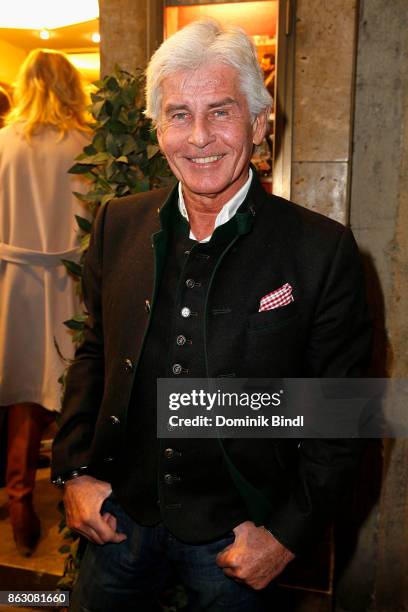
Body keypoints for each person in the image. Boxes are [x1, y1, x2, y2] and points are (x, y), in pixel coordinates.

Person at [51, 20, 372, 611]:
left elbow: (341, 410)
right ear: (157, 128)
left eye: (220, 112)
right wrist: (73, 470)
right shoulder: (116, 224)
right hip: (119, 518)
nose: (199, 138)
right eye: (178, 114)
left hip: (238, 535)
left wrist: (285, 536)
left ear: (258, 122)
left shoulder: (320, 250)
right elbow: (95, 351)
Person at [0, 49, 90, 556]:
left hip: (13, 285)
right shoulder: (88, 143)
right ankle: (77, 510)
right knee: (75, 391)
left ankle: (18, 506)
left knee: (23, 398)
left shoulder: (2, 144)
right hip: (68, 281)